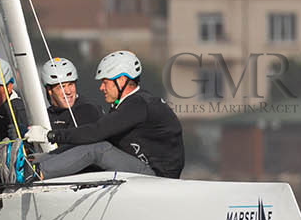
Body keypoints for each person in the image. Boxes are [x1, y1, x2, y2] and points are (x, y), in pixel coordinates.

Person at [23, 50, 185, 178]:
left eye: (105, 82)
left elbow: (96, 132)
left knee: (97, 147)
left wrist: (50, 135)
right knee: (88, 143)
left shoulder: (138, 103)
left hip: (157, 177)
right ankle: (31, 163)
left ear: (121, 81)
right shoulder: (128, 104)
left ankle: (35, 174)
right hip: (144, 169)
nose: (101, 88)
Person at [40, 57, 101, 131]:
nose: (68, 92)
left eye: (71, 84)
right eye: (62, 87)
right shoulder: (45, 116)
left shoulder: (87, 110)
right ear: (49, 90)